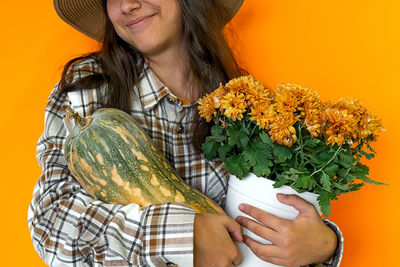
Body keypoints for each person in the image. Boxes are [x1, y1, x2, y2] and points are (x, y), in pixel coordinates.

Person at [28, 0, 343, 266]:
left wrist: (324, 244)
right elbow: (50, 224)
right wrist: (183, 237)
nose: (127, 5)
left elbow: (262, 224)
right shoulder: (87, 89)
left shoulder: (246, 102)